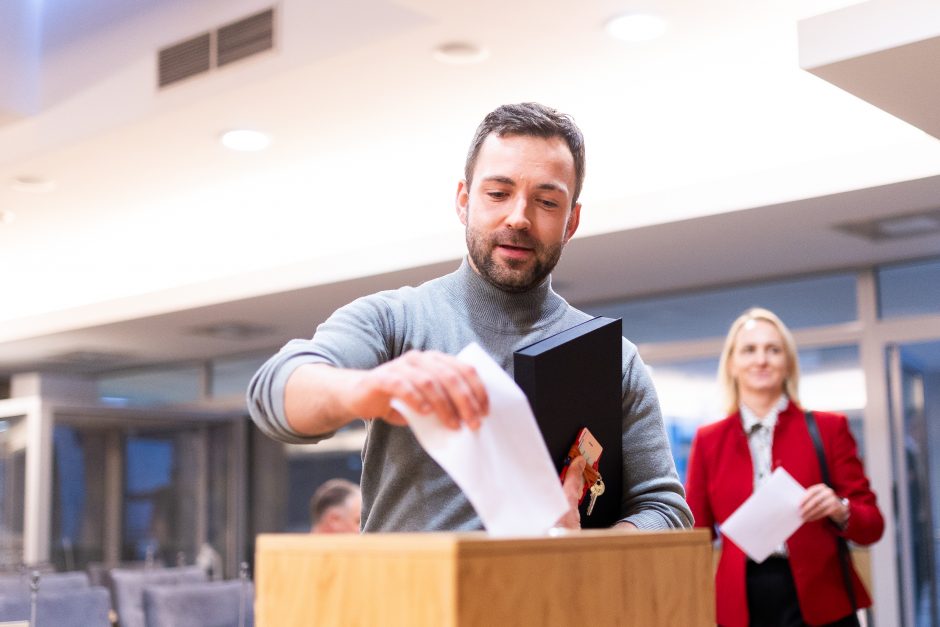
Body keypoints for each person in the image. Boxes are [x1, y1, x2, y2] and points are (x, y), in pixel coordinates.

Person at [248, 102, 691, 533]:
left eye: (547, 202)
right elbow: (274, 393)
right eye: (498, 193)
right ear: (463, 201)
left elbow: (666, 508)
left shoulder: (613, 359)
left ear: (571, 222)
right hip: (406, 604)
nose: (518, 217)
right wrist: (365, 388)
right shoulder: (395, 320)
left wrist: (587, 549)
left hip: (552, 606)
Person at [685, 308, 884, 627]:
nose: (761, 360)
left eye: (773, 350)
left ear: (788, 362)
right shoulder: (708, 440)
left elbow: (873, 525)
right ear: (732, 365)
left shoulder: (829, 428)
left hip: (822, 599)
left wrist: (840, 508)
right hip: (743, 602)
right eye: (749, 350)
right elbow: (695, 536)